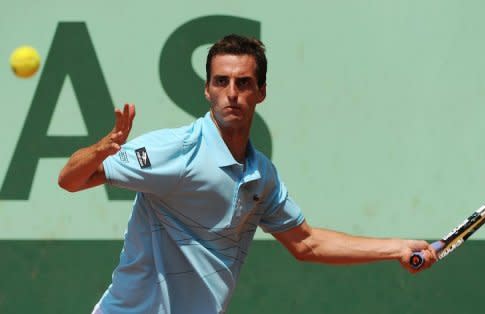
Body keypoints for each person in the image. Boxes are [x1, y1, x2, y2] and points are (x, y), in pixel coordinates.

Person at [58, 34, 437, 314]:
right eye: (221, 81)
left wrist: (397, 247)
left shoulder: (262, 177)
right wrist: (99, 151)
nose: (232, 93)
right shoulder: (176, 151)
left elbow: (307, 243)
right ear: (207, 90)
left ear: (261, 92)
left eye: (243, 83)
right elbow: (70, 180)